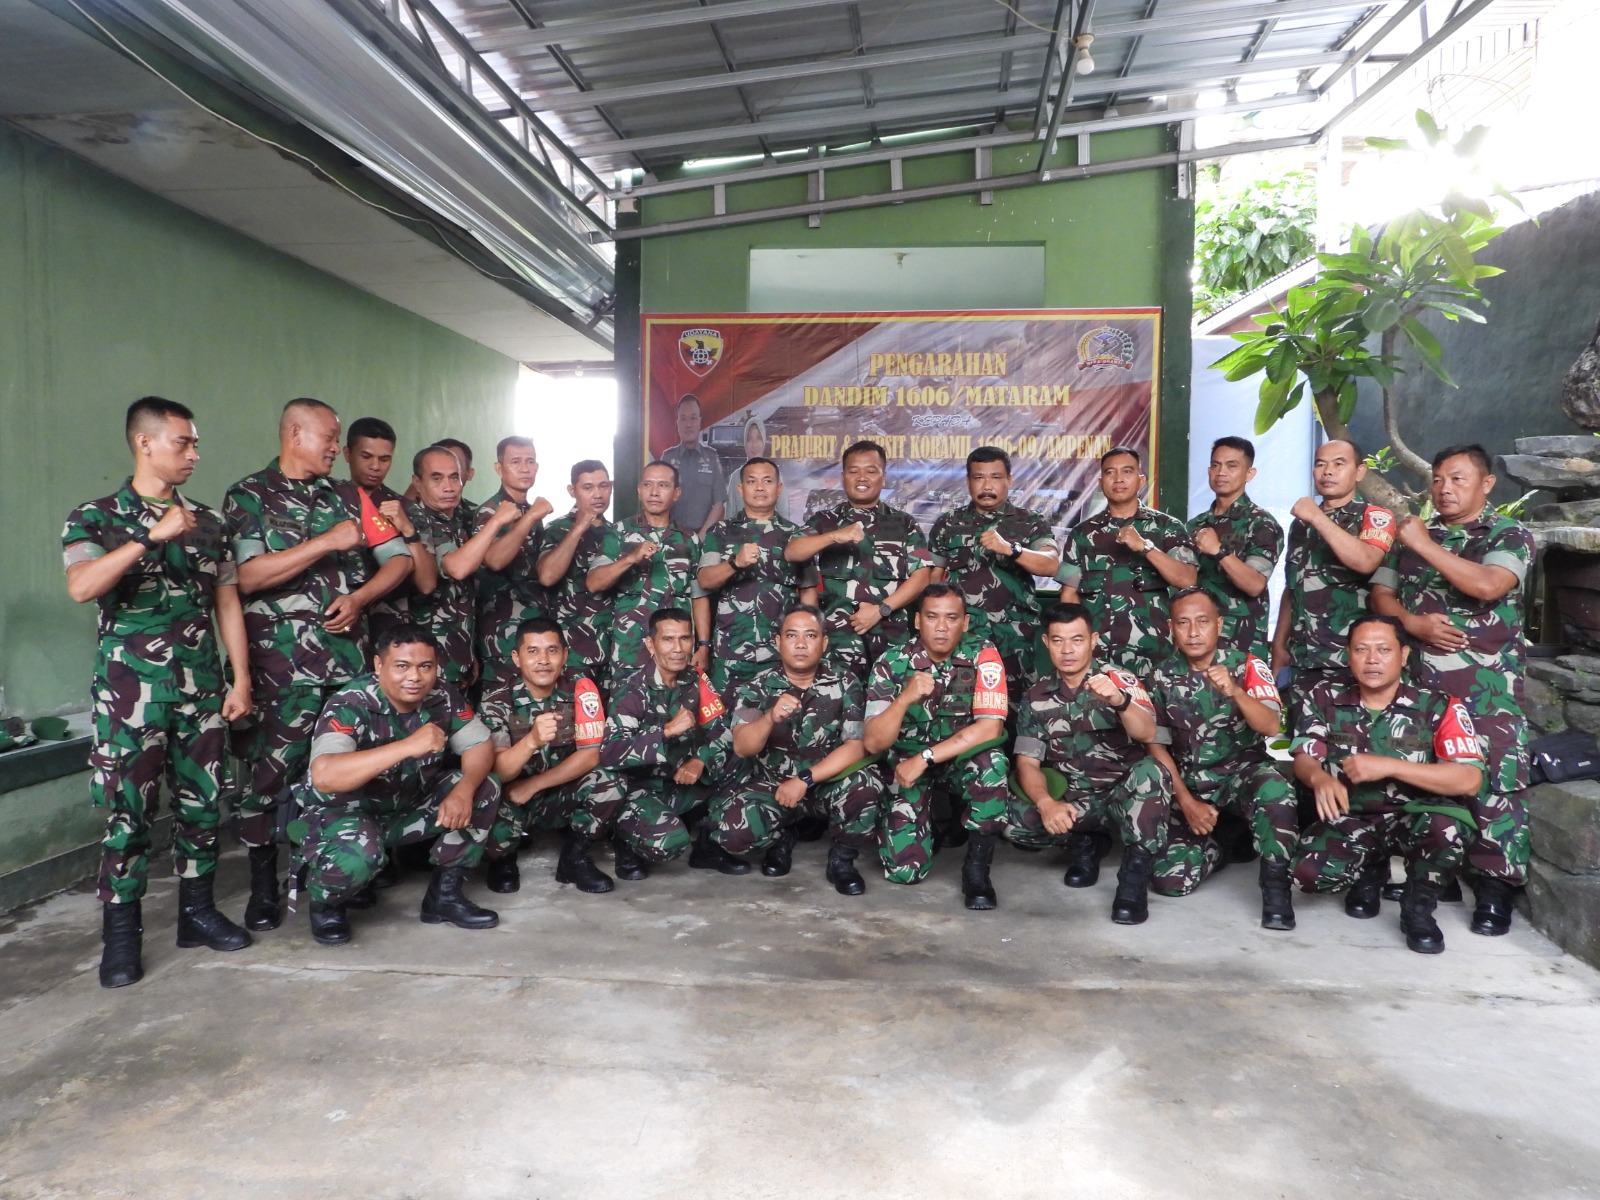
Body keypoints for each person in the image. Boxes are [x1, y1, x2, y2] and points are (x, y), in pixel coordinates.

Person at [63, 396, 254, 988]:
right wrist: (148, 538)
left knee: (203, 806)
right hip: (130, 698)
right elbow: (82, 586)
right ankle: (122, 937)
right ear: (144, 443)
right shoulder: (95, 517)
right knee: (130, 814)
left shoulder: (210, 523)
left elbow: (226, 600)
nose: (194, 453)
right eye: (183, 442)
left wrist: (241, 677)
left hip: (202, 690)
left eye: (195, 443)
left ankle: (197, 913)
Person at [224, 397, 415, 933]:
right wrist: (325, 543)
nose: (336, 447)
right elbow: (247, 577)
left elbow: (399, 559)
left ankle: (338, 875)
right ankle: (264, 885)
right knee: (268, 778)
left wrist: (360, 598)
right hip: (279, 670)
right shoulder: (250, 494)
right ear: (294, 434)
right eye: (329, 437)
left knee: (348, 772)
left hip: (346, 668)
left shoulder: (351, 496)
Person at [1370, 443, 1535, 936]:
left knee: (1494, 785)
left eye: (1458, 479)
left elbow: (1488, 585)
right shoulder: (1413, 536)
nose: (1444, 489)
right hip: (1422, 691)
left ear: (1487, 483)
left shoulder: (1508, 534)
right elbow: (1381, 596)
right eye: (1438, 479)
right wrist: (1411, 623)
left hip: (1486, 692)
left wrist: (1423, 545)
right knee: (1423, 775)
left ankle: (1495, 887)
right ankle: (1433, 874)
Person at [1290, 614, 1485, 953]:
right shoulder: (1323, 697)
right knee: (1307, 874)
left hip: (1415, 816)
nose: (1372, 659)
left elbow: (1469, 779)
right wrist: (1318, 776)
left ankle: (1418, 907)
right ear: (1348, 655)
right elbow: (1304, 756)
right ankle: (1371, 870)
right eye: (1361, 649)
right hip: (1353, 817)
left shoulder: (1438, 705)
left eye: (1383, 649)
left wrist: (1391, 766)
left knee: (1448, 830)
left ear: (1403, 655)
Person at [296, 624, 501, 945]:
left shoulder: (442, 694)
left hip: (405, 807)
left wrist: (464, 790)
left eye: (426, 666)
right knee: (358, 858)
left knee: (484, 785)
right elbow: (325, 775)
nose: (415, 677)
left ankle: (444, 896)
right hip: (347, 815)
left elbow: (479, 745)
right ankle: (326, 904)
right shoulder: (350, 703)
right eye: (402, 666)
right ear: (379, 665)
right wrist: (407, 746)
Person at [1006, 603, 1173, 925]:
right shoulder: (1036, 696)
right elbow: (1027, 762)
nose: (1067, 650)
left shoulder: (1120, 680)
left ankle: (1132, 882)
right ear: (1046, 642)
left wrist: (1119, 700)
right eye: (1058, 640)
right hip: (1077, 802)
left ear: (1093, 640)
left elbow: (1148, 733)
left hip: (1125, 797)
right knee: (1009, 819)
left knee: (1152, 772)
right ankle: (1085, 844)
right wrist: (1046, 803)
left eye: (1077, 640)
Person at [1144, 589, 1297, 930]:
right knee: (1171, 881)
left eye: (1202, 622)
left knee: (1276, 790)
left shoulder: (1247, 665)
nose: (1193, 632)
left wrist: (1236, 692)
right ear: (1170, 628)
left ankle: (1276, 889)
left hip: (1240, 778)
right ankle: (1225, 842)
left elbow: (1271, 726)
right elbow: (1156, 746)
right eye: (1183, 623)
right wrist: (1186, 803)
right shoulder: (1160, 676)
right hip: (1190, 788)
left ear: (1219, 624)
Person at [716, 605, 886, 893]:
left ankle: (842, 859)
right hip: (773, 785)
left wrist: (805, 779)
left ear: (824, 642)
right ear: (778, 642)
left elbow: (856, 746)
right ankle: (782, 836)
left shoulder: (846, 681)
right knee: (732, 835)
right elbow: (743, 747)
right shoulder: (757, 686)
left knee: (866, 785)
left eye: (810, 635)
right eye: (791, 635)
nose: (800, 644)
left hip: (825, 781)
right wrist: (770, 717)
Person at [862, 584, 1012, 911]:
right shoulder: (893, 662)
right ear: (918, 621)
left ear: (965, 623)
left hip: (956, 760)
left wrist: (926, 757)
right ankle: (922, 829)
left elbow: (991, 727)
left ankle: (977, 869)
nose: (941, 627)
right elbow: (873, 741)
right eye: (932, 617)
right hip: (906, 767)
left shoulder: (983, 654)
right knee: (905, 872)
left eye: (951, 618)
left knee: (993, 764)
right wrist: (904, 699)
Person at [480, 617, 619, 895]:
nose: (543, 660)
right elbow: (499, 771)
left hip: (557, 792)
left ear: (565, 655)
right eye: (533, 651)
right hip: (512, 799)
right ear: (517, 658)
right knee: (487, 791)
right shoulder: (496, 701)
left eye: (552, 650)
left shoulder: (582, 690)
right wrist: (531, 740)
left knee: (610, 780)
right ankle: (503, 858)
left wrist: (534, 784)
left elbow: (591, 755)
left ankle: (574, 858)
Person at [598, 608, 735, 878]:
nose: (678, 649)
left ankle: (707, 846)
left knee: (742, 758)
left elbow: (723, 729)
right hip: (641, 788)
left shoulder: (695, 679)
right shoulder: (631, 690)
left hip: (680, 781)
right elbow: (610, 753)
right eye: (668, 639)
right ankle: (625, 839)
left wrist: (701, 759)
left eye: (685, 638)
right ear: (651, 644)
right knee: (669, 843)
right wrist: (666, 731)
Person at [786, 440, 933, 680]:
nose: (862, 478)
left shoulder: (905, 524)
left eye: (871, 471)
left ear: (883, 478)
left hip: (891, 644)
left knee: (891, 703)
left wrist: (881, 610)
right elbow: (793, 551)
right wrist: (833, 536)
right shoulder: (825, 520)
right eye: (853, 471)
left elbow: (922, 576)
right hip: (837, 647)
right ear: (843, 477)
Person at [929, 446, 1061, 701]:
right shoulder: (947, 523)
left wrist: (1011, 549)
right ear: (968, 481)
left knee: (1014, 708)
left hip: (1015, 639)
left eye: (996, 477)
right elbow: (932, 580)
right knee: (959, 706)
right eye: (979, 477)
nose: (987, 485)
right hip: (961, 638)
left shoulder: (1030, 521)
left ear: (1009, 480)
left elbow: (1051, 565)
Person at [1057, 445, 1198, 677]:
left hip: (1154, 656)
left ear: (1141, 480)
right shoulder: (1081, 534)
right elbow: (1068, 595)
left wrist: (1146, 547)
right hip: (1097, 658)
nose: (1118, 479)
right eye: (1110, 472)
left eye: (1127, 471)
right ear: (1101, 483)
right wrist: (1076, 644)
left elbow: (1187, 579)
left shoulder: (1168, 528)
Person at [1271, 439, 1395, 700]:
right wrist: (1280, 645)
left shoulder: (1374, 516)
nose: (1327, 471)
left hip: (1351, 659)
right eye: (1320, 464)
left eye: (1339, 464)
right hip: (1302, 659)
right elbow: (1293, 588)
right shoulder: (1301, 525)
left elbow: (1366, 561)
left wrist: (1318, 517)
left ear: (1359, 472)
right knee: (1302, 726)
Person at [697, 456, 817, 693]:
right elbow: (704, 580)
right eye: (752, 481)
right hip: (730, 654)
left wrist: (809, 645)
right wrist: (734, 563)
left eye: (767, 481)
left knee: (780, 715)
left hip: (781, 655)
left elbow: (808, 593)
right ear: (740, 489)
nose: (760, 487)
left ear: (779, 488)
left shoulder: (797, 535)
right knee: (726, 717)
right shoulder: (720, 531)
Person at [408, 444, 520, 689]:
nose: (448, 487)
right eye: (436, 478)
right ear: (417, 482)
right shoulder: (414, 519)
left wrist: (468, 652)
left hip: (458, 655)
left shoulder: (459, 519)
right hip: (423, 661)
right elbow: (456, 568)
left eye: (454, 477)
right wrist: (497, 521)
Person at [587, 460, 706, 678]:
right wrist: (631, 558)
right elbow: (594, 583)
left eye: (663, 485)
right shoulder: (618, 533)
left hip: (676, 652)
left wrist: (704, 645)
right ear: (639, 490)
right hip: (631, 649)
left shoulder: (689, 539)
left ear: (676, 493)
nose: (654, 492)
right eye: (647, 485)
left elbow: (698, 596)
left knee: (680, 699)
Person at [474, 436, 554, 701]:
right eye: (515, 462)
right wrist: (530, 517)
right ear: (499, 468)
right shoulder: (491, 511)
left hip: (534, 632)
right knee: (502, 708)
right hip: (501, 635)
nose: (524, 468)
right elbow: (494, 560)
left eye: (530, 461)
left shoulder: (530, 510)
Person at [1187, 436, 1283, 657]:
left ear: (1249, 473)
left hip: (1240, 646)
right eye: (1216, 465)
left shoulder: (1261, 523)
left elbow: (1255, 584)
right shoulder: (1194, 525)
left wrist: (1218, 551)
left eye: (1231, 466)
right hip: (1196, 642)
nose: (1221, 472)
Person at [342, 416, 435, 641]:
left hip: (390, 630)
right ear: (347, 454)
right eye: (366, 457)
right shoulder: (330, 502)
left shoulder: (406, 509)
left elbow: (427, 584)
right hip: (341, 628)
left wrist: (408, 530)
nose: (375, 467)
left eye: (384, 459)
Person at [536, 459, 615, 690]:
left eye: (603, 486)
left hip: (614, 649)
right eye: (588, 487)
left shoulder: (618, 533)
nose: (597, 494)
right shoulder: (558, 528)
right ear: (572, 491)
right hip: (572, 651)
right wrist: (579, 528)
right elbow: (547, 576)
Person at [661, 394, 726, 537]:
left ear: (699, 422)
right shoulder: (667, 458)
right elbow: (661, 502)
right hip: (672, 536)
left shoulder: (711, 457)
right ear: (678, 424)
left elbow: (719, 503)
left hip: (705, 535)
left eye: (693, 418)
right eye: (683, 419)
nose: (688, 424)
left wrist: (702, 536)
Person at [725, 416, 792, 522]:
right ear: (745, 443)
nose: (754, 445)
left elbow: (784, 515)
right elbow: (729, 517)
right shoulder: (736, 477)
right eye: (750, 439)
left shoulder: (775, 474)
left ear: (764, 441)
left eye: (759, 438)